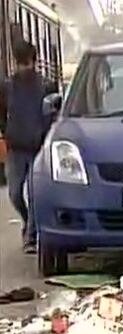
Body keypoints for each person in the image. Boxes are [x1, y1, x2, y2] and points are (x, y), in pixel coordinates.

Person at [0, 41, 57, 253]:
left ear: (33, 62)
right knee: (15, 193)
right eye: (20, 63)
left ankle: (31, 236)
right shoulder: (7, 87)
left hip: (38, 147)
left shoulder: (46, 86)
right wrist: (6, 132)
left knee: (34, 193)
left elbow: (52, 115)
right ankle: (27, 221)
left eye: (26, 63)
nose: (23, 68)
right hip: (16, 147)